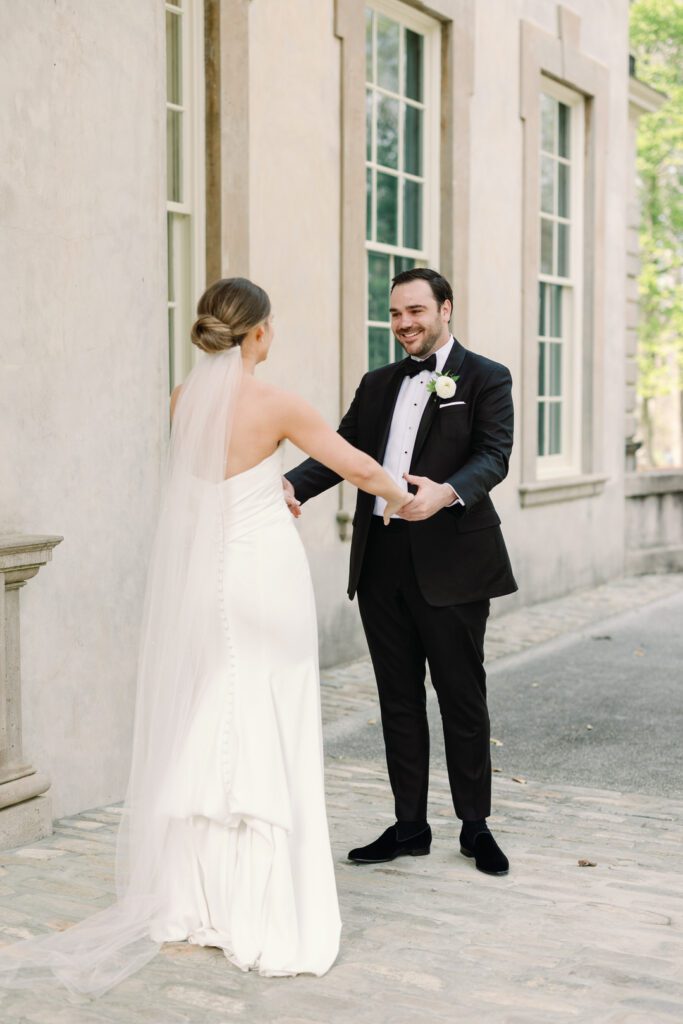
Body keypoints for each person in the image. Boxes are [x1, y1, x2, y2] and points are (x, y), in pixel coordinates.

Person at [0, 277, 410, 997]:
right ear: (256, 333)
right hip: (262, 578)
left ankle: (198, 900)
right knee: (271, 714)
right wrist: (409, 498)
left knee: (216, 713)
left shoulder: (182, 402)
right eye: (270, 326)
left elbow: (211, 487)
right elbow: (358, 467)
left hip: (209, 577)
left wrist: (272, 488)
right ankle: (265, 908)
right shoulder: (276, 402)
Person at [284, 268, 517, 876]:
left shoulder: (488, 376)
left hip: (455, 566)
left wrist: (447, 492)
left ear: (445, 309)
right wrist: (292, 487)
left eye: (416, 310)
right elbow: (342, 452)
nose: (404, 324)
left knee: (462, 697)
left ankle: (475, 825)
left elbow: (494, 455)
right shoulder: (377, 381)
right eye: (395, 314)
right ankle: (409, 825)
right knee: (397, 700)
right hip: (381, 562)